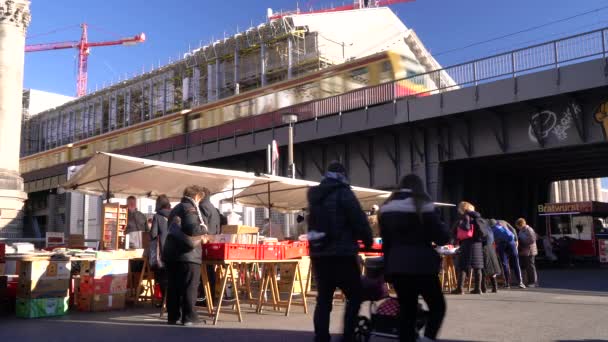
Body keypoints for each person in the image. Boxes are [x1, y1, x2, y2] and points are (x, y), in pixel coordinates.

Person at [379, 174, 450, 342]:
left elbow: (386, 243)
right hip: (423, 265)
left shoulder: (386, 208)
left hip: (397, 265)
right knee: (437, 306)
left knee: (406, 309)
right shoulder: (424, 206)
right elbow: (442, 238)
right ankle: (428, 338)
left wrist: (387, 268)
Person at [307, 161, 372, 342]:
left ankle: (321, 337)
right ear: (343, 174)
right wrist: (367, 240)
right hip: (342, 254)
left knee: (324, 299)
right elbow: (358, 219)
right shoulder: (344, 193)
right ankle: (348, 335)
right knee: (355, 295)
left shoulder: (315, 196)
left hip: (319, 255)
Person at [163, 185, 209, 326]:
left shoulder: (176, 208)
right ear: (197, 196)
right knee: (189, 286)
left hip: (171, 253)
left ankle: (173, 316)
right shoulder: (189, 208)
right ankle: (189, 317)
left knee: (173, 286)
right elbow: (192, 228)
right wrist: (204, 229)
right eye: (200, 198)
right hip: (188, 254)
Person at [451, 201, 484, 295]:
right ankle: (478, 289)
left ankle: (460, 289)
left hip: (467, 243)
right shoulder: (477, 217)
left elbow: (466, 227)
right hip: (477, 244)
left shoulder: (466, 216)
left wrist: (459, 225)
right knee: (478, 267)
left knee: (462, 266)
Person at [198, 187, 220, 304]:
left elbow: (202, 226)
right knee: (210, 271)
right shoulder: (213, 208)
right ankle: (210, 296)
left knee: (204, 273)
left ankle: (204, 297)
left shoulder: (202, 207)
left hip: (205, 243)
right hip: (214, 242)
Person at [149, 195, 171, 306]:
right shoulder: (175, 214)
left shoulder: (157, 216)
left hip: (162, 252)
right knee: (172, 277)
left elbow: (153, 234)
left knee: (162, 277)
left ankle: (164, 302)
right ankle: (172, 301)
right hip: (174, 251)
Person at [490, 219, 525, 289]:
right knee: (516, 262)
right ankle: (520, 282)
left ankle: (507, 283)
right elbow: (513, 230)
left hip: (500, 245)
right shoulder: (503, 222)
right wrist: (516, 240)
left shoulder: (490, 227)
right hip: (511, 242)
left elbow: (491, 239)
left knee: (504, 264)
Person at [479, 218, 501, 293]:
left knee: (483, 268)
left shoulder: (483, 229)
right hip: (491, 249)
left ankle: (483, 288)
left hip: (484, 249)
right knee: (492, 269)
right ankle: (495, 287)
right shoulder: (489, 229)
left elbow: (482, 239)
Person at [516, 218, 539, 287]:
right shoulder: (521, 231)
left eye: (518, 226)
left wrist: (523, 242)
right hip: (525, 251)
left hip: (530, 251)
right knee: (528, 266)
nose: (517, 228)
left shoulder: (529, 229)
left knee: (531, 266)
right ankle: (529, 281)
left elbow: (533, 239)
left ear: (521, 224)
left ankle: (534, 282)